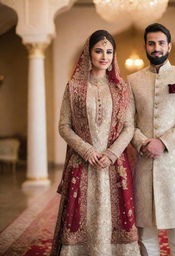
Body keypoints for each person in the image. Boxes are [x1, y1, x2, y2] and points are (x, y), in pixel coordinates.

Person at [50, 30, 140, 256]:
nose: (104, 56)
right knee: (81, 216)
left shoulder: (122, 89)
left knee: (116, 215)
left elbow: (129, 126)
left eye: (109, 51)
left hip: (114, 164)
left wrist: (111, 154)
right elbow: (64, 126)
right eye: (99, 50)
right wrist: (86, 150)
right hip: (82, 163)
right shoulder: (74, 88)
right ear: (88, 53)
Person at [127, 23, 175, 256]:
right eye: (151, 43)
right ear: (145, 47)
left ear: (169, 45)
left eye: (161, 43)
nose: (156, 48)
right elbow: (127, 122)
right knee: (146, 236)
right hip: (144, 163)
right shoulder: (133, 81)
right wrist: (142, 142)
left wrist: (163, 142)